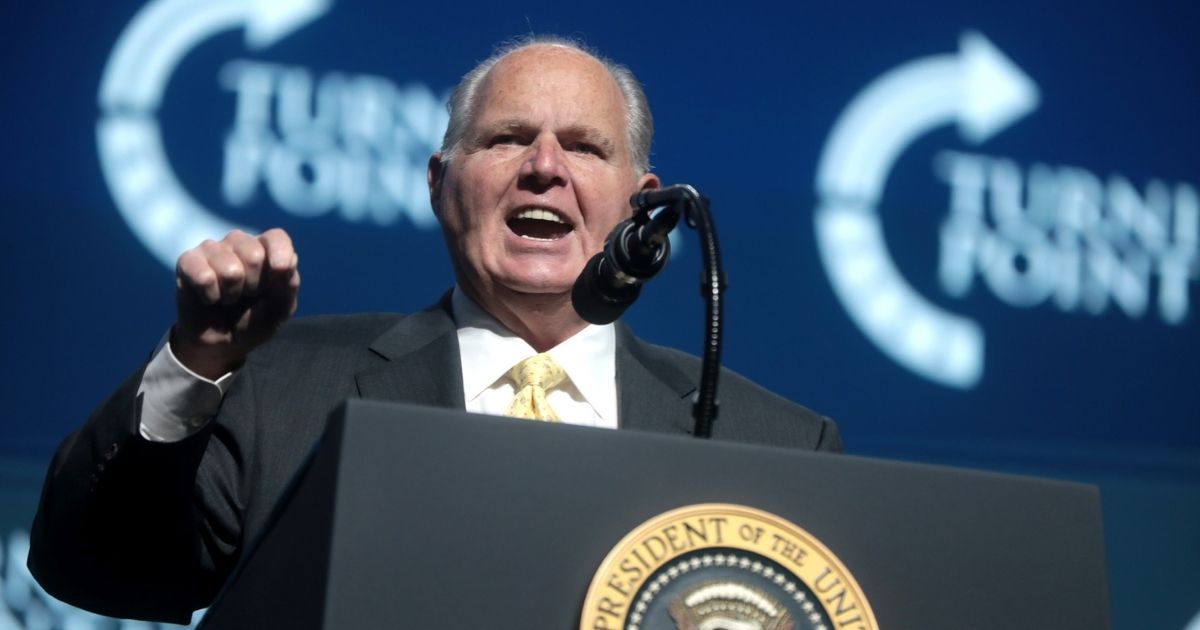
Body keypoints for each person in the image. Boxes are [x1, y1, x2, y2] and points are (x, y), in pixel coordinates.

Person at [28, 36, 841, 623]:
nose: (545, 167)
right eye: (508, 138)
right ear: (439, 183)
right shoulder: (277, 385)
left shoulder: (778, 446)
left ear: (642, 203)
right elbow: (100, 570)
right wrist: (199, 360)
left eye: (585, 148)